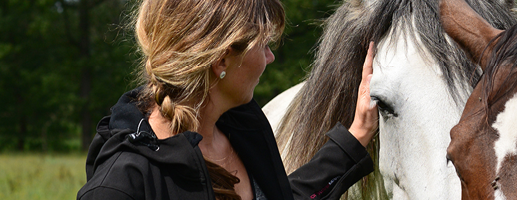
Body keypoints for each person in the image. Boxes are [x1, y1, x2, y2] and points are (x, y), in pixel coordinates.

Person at [76, 0, 378, 199]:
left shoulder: (242, 129)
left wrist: (357, 134)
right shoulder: (121, 184)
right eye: (264, 45)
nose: (270, 57)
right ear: (222, 61)